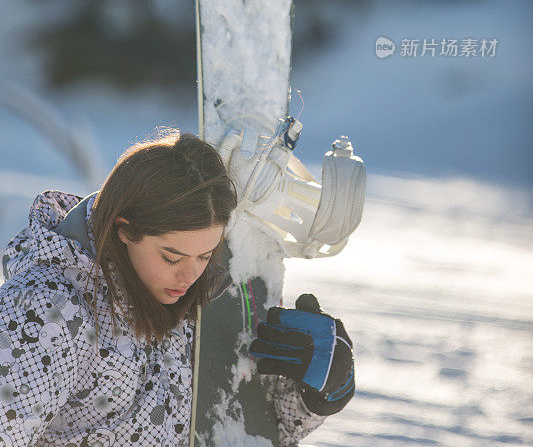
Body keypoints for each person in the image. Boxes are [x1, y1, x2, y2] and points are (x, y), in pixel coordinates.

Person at [0, 129, 355, 446]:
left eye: (205, 255)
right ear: (124, 230)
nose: (190, 275)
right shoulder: (45, 314)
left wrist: (316, 395)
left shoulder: (197, 295)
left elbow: (231, 427)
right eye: (172, 257)